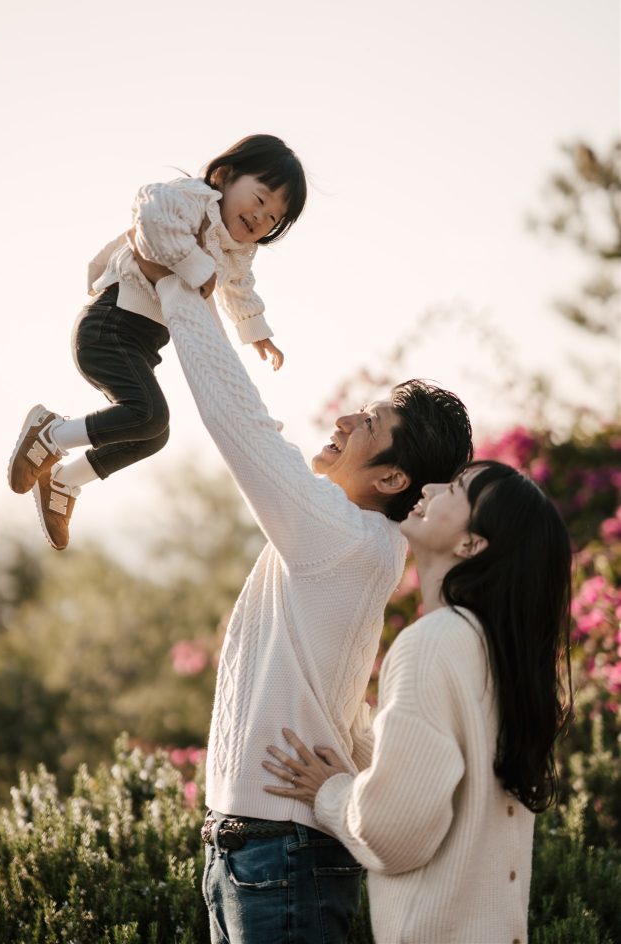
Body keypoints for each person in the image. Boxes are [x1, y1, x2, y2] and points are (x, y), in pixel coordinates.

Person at [128, 249, 474, 944]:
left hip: (280, 854)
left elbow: (240, 422)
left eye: (369, 427)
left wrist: (176, 290)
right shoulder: (352, 539)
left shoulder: (343, 535)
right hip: (251, 849)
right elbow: (330, 685)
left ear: (390, 478)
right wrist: (355, 756)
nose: (347, 421)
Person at [263, 461, 572, 944]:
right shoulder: (503, 654)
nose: (428, 487)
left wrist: (331, 793)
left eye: (455, 488)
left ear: (471, 544)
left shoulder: (431, 643)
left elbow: (394, 836)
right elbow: (447, 778)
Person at [7, 133, 307, 550]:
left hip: (139, 345)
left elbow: (238, 287)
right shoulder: (194, 198)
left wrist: (257, 333)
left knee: (152, 433)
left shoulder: (235, 251)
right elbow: (151, 216)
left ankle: (65, 480)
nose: (261, 217)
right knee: (149, 414)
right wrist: (195, 267)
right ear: (224, 176)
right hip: (109, 326)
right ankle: (50, 434)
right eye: (259, 199)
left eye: (273, 218)